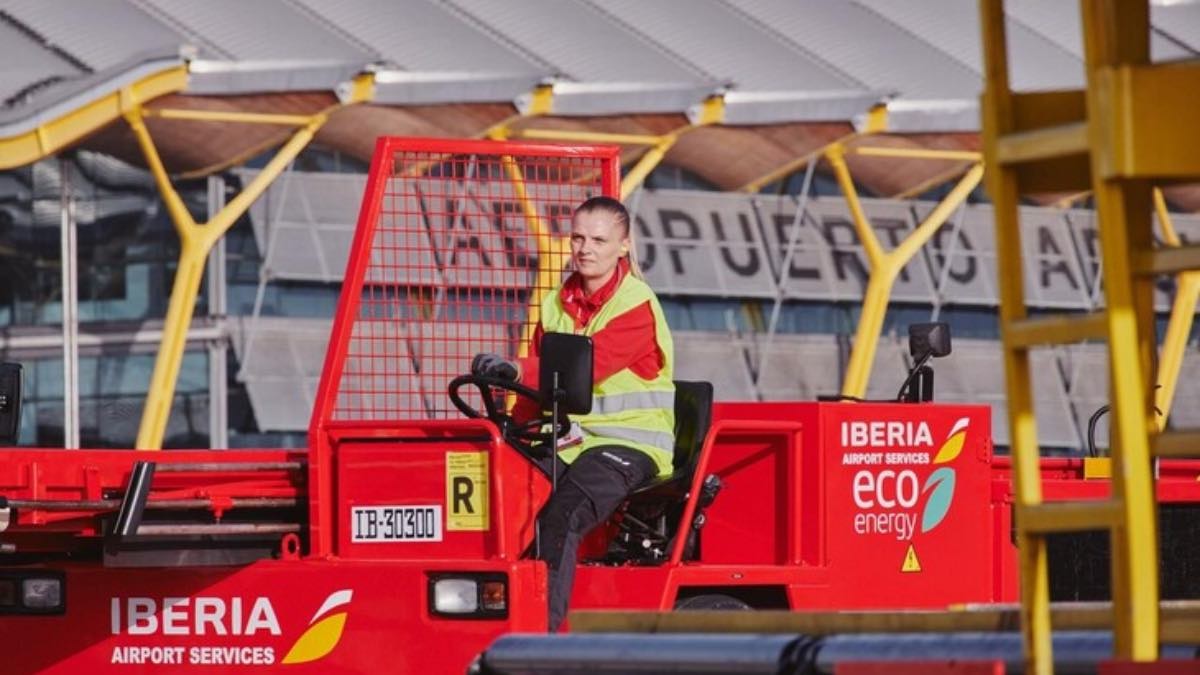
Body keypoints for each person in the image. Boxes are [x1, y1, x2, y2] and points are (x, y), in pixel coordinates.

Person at [470, 195, 675, 632]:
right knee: (502, 496)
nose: (585, 249)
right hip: (570, 441)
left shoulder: (636, 305)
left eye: (598, 240)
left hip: (628, 443)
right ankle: (485, 619)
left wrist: (516, 369)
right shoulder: (554, 304)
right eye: (578, 238)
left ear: (623, 246)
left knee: (562, 516)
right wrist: (513, 431)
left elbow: (583, 368)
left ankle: (541, 640)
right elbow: (535, 394)